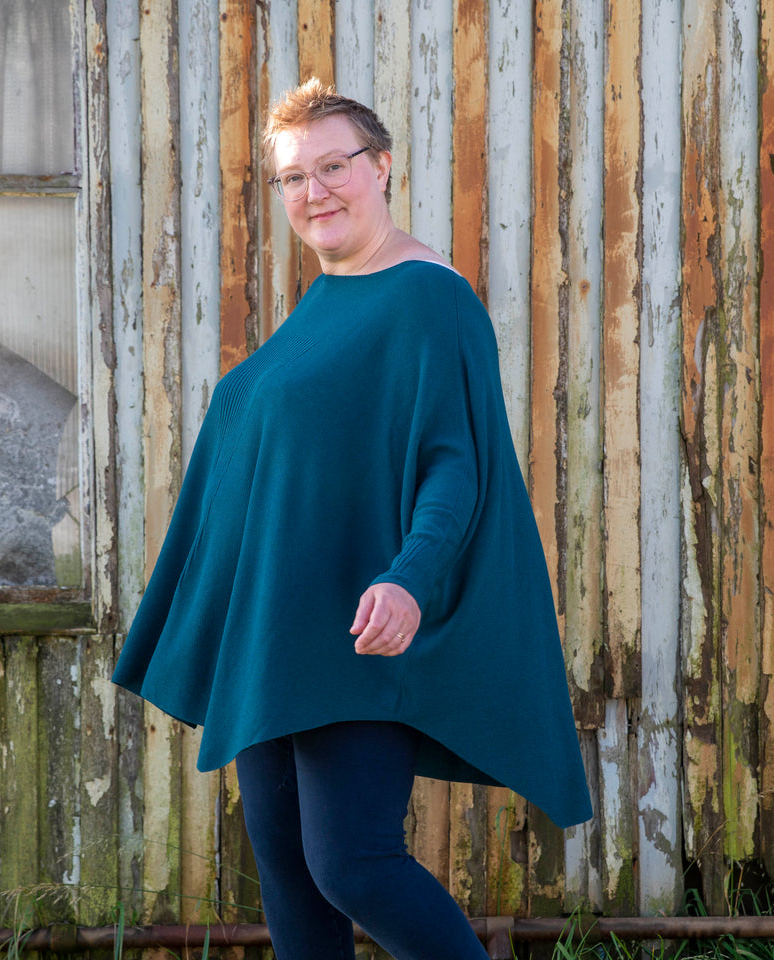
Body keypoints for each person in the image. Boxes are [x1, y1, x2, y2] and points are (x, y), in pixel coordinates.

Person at [112, 78, 592, 959]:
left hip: (355, 629)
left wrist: (409, 579)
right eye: (292, 179)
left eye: (332, 167)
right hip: (277, 634)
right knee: (291, 876)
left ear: (381, 169)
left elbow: (457, 464)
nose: (312, 193)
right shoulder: (322, 302)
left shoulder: (426, 297)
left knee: (353, 864)